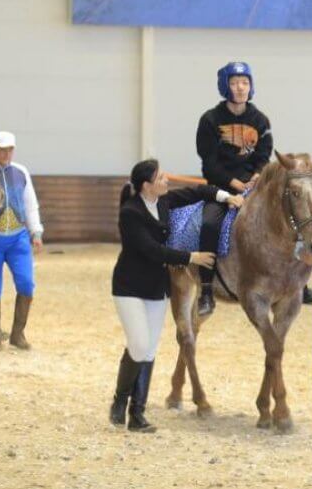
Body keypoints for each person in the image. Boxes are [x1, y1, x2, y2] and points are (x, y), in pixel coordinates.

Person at [109, 159, 242, 431]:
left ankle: (138, 414)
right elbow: (152, 250)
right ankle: (119, 401)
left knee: (149, 348)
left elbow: (200, 192)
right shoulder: (130, 213)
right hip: (130, 287)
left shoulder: (164, 202)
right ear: (147, 185)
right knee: (138, 344)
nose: (166, 181)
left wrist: (227, 196)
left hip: (157, 288)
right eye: (161, 178)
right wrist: (191, 256)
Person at [195, 61, 273, 316]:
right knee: (208, 224)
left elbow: (263, 155)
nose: (240, 88)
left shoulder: (260, 120)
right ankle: (206, 288)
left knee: (286, 218)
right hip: (221, 187)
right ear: (224, 85)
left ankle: (297, 283)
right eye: (234, 82)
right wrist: (234, 185)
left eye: (245, 82)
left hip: (253, 185)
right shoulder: (210, 120)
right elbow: (209, 163)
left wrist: (257, 176)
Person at [0, 131, 43, 351]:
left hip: (18, 238)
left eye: (10, 149)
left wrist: (35, 231)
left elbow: (30, 203)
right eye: (2, 149)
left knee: (27, 284)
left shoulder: (21, 172)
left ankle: (18, 334)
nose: (6, 153)